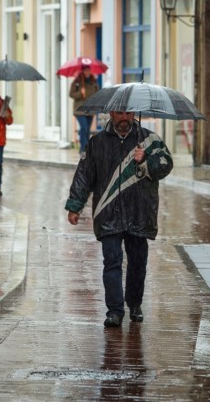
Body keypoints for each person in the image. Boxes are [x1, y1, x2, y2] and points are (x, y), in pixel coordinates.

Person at [65, 111, 173, 327]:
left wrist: (146, 160)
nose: (124, 117)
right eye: (119, 113)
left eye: (128, 113)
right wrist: (75, 206)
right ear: (111, 114)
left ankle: (134, 304)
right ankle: (114, 311)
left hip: (139, 211)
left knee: (137, 262)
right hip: (108, 211)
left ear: (133, 114)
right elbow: (84, 175)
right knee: (112, 262)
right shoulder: (97, 143)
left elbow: (166, 165)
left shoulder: (149, 139)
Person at [69, 65, 100, 156]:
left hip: (90, 109)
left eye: (89, 70)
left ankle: (84, 148)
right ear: (82, 71)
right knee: (84, 127)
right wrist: (80, 93)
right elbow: (71, 94)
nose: (88, 72)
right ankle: (83, 148)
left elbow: (97, 93)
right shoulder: (77, 81)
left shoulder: (93, 81)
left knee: (87, 129)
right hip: (79, 109)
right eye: (86, 70)